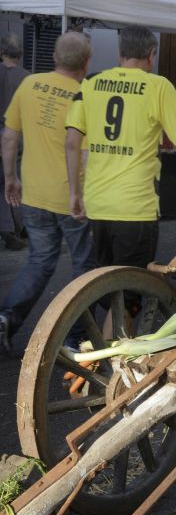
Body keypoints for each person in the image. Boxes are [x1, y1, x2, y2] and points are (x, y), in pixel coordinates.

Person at [65, 25, 176, 277]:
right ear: (151, 54)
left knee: (102, 282)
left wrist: (75, 192)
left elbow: (72, 143)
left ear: (120, 53)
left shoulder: (91, 83)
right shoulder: (158, 87)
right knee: (130, 287)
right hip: (135, 207)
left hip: (97, 205)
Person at [0, 32, 95, 356]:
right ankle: (74, 336)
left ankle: (7, 317)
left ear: (54, 57)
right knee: (84, 265)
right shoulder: (85, 94)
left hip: (34, 195)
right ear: (86, 63)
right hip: (72, 198)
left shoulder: (29, 84)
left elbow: (9, 137)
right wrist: (81, 192)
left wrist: (10, 178)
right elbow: (83, 152)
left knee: (39, 262)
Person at [0, 33, 29, 250]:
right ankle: (19, 227)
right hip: (17, 135)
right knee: (15, 180)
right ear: (20, 53)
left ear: (2, 52)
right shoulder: (27, 78)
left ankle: (7, 227)